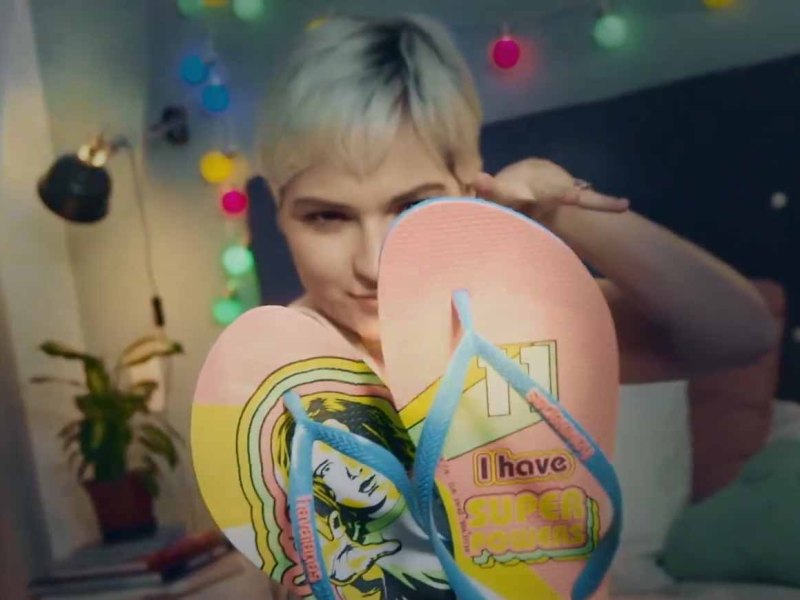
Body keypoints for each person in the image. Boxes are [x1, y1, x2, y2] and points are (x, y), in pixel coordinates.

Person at [257, 13, 779, 599]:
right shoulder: (267, 378)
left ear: (467, 186)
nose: (373, 263)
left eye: (411, 207)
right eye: (327, 216)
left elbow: (741, 333)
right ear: (281, 212)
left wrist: (562, 211)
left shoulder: (514, 316)